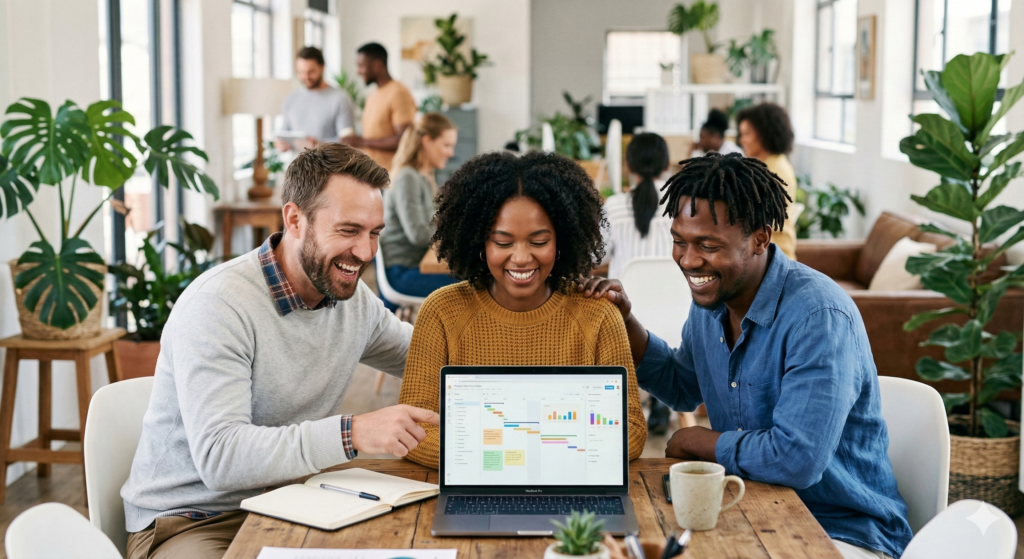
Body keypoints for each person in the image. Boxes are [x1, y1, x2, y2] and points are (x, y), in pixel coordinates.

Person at [581, 153, 912, 559]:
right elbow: (682, 385)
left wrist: (700, 440)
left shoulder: (819, 317)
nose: (688, 260)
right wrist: (625, 321)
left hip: (843, 531)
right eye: (680, 241)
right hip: (755, 511)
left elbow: (797, 459)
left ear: (760, 238)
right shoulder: (712, 303)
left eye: (708, 245)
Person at [121, 144, 439, 559]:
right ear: (294, 220)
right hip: (194, 519)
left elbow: (431, 358)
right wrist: (352, 432)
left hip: (293, 501)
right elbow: (221, 458)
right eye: (348, 230)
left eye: (374, 233)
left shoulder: (352, 301)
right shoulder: (218, 305)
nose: (365, 253)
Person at [397, 152, 648, 469]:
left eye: (538, 241)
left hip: (551, 489)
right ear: (479, 242)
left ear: (561, 241)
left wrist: (493, 452)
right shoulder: (442, 311)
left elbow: (631, 432)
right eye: (503, 242)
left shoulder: (598, 314)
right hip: (501, 483)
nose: (521, 258)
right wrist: (542, 452)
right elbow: (413, 430)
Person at [379, 113, 460, 308]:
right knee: (474, 284)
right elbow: (419, 235)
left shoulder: (423, 177)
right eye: (446, 145)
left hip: (415, 265)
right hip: (402, 272)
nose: (451, 153)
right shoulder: (408, 178)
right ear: (427, 141)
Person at [602, 132, 673, 280]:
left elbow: (598, 257)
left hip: (623, 294)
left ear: (628, 166)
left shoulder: (613, 207)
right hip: (677, 293)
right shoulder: (684, 203)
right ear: (667, 165)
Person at [340, 42, 418, 171]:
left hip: (393, 175)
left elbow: (405, 139)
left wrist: (361, 142)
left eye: (361, 66)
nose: (358, 72)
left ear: (376, 64)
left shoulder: (399, 93)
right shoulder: (372, 96)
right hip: (374, 175)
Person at [735, 102, 798, 260]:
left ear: (764, 134)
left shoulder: (775, 170)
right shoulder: (766, 165)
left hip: (774, 256)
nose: (742, 140)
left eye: (747, 134)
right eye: (741, 134)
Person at [274, 46, 356, 152]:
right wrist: (281, 144)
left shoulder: (340, 99)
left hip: (327, 163)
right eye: (301, 72)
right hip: (296, 162)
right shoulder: (291, 99)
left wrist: (319, 144)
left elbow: (349, 143)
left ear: (322, 67)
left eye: (311, 72)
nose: (306, 77)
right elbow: (284, 134)